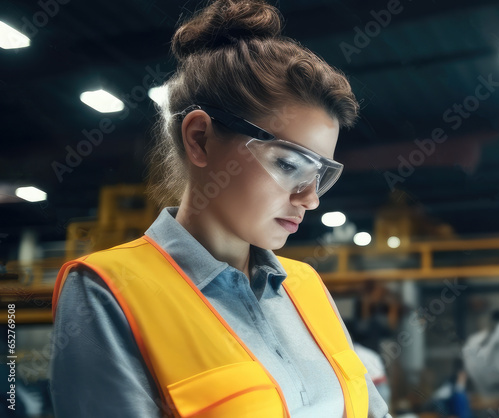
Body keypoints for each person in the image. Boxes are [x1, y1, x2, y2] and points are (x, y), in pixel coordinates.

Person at [47, 0, 390, 416]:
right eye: (287, 164)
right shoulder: (110, 291)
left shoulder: (306, 287)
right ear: (200, 139)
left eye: (320, 175)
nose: (310, 198)